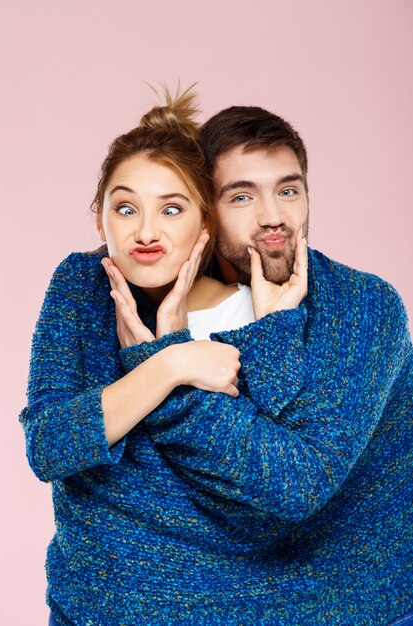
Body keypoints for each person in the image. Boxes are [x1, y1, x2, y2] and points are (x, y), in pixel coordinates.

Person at [20, 88, 309, 626]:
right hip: (88, 609)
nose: (145, 232)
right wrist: (167, 363)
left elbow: (266, 490)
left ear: (205, 225)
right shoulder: (81, 286)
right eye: (124, 208)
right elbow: (49, 445)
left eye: (171, 209)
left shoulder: (252, 313)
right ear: (100, 218)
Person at [140, 105, 413, 625]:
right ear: (205, 210)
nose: (273, 217)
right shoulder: (162, 307)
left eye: (288, 190)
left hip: (367, 605)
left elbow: (291, 483)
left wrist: (172, 362)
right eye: (242, 196)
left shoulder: (365, 307)